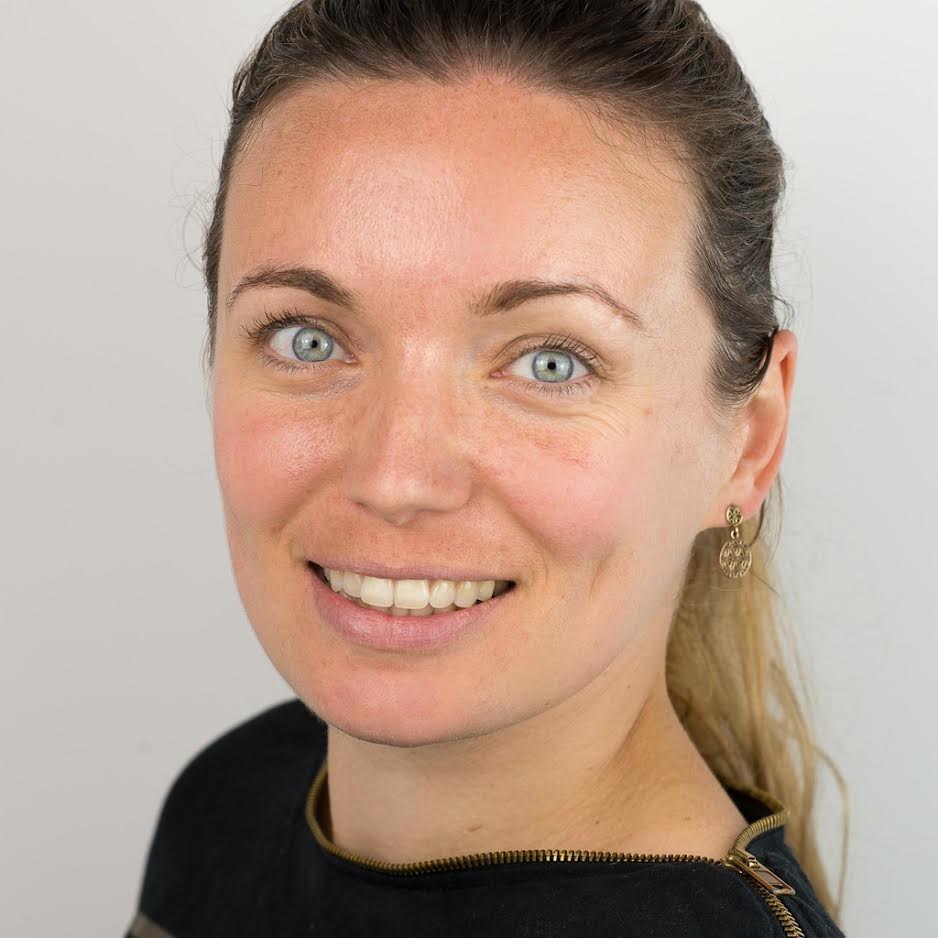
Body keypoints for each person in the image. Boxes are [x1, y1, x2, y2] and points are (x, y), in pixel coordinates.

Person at [126, 1, 848, 935]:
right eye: (308, 339)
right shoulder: (229, 800)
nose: (395, 477)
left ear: (747, 439)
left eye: (551, 361)